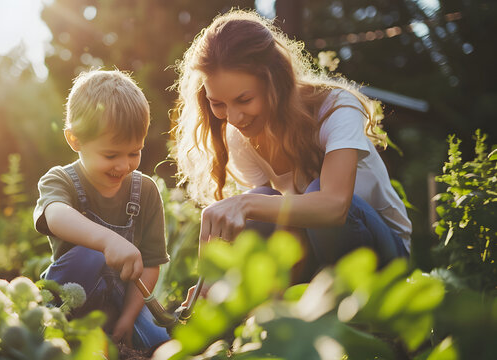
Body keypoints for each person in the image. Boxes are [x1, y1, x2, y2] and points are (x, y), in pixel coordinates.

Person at [171, 9, 411, 284]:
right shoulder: (241, 135)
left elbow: (335, 206)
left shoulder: (336, 108)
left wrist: (246, 202)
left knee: (307, 192)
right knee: (260, 203)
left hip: (383, 259)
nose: (234, 118)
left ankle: (363, 314)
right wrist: (217, 283)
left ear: (276, 83)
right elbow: (283, 224)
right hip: (316, 257)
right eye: (218, 104)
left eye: (245, 99)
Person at [33, 69, 170, 348]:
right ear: (75, 140)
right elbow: (56, 215)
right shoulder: (60, 180)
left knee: (160, 340)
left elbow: (151, 264)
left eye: (134, 152)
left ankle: (114, 334)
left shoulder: (145, 192)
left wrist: (128, 320)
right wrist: (108, 241)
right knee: (91, 255)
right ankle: (43, 329)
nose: (123, 165)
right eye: (111, 155)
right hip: (70, 298)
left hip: (123, 302)